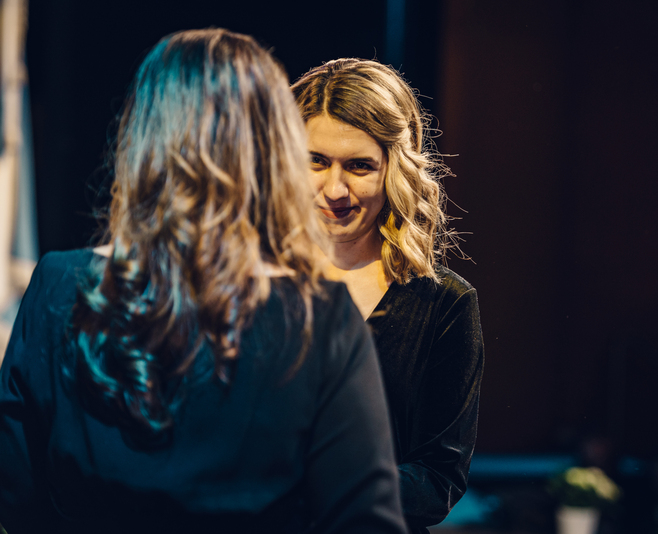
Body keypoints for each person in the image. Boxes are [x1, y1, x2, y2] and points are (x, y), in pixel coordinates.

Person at [0, 30, 406, 534]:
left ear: (143, 138)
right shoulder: (321, 318)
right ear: (273, 150)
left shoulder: (58, 287)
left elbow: (16, 496)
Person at [292, 59, 484, 533]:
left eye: (359, 166)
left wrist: (321, 484)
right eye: (316, 161)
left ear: (395, 169)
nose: (335, 190)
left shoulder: (444, 304)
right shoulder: (248, 284)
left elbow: (438, 480)